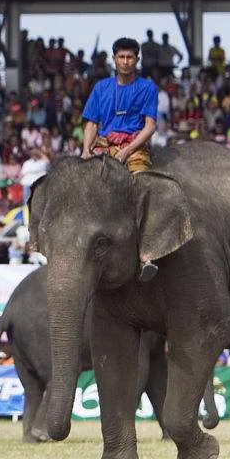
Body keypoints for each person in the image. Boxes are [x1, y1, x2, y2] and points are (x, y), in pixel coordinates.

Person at [80, 36, 159, 279]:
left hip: (134, 144)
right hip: (104, 143)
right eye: (121, 57)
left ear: (137, 60)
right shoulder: (101, 88)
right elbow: (92, 123)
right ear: (114, 60)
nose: (125, 61)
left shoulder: (148, 88)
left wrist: (128, 150)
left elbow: (150, 126)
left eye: (130, 57)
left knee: (143, 186)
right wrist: (85, 150)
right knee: (81, 185)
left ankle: (147, 252)